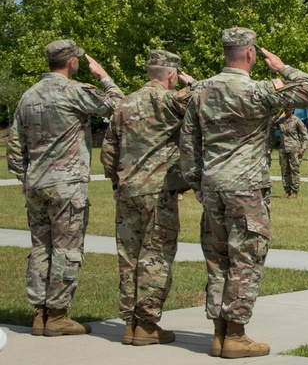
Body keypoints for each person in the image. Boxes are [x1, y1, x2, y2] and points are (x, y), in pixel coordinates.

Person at [179, 27, 308, 358]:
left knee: (218, 259)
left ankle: (218, 334)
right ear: (252, 54)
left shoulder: (201, 90)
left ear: (226, 53)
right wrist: (283, 68)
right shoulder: (260, 92)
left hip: (212, 186)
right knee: (246, 259)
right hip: (245, 188)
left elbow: (188, 140)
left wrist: (196, 181)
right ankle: (236, 335)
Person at [6, 39, 124, 336]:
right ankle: (57, 315)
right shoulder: (73, 92)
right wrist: (103, 76)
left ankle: (39, 314)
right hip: (66, 184)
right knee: (66, 248)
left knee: (40, 248)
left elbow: (15, 142)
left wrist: (24, 176)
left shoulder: (28, 95)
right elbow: (118, 105)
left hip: (36, 184)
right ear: (71, 61)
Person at [100, 49, 195, 345]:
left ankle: (129, 323)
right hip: (158, 192)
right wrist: (192, 82)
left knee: (129, 257)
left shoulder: (124, 103)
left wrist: (116, 181)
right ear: (170, 75)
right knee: (155, 257)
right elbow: (209, 99)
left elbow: (109, 150)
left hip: (127, 191)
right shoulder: (169, 101)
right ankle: (147, 324)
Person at [277, 109, 308, 197]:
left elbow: (305, 135)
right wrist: (278, 114)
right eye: (285, 108)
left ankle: (295, 191)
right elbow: (271, 124)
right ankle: (287, 190)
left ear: (292, 110)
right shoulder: (281, 120)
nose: (286, 110)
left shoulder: (297, 121)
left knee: (294, 170)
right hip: (283, 149)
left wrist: (303, 148)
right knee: (284, 170)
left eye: (288, 108)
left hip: (294, 149)